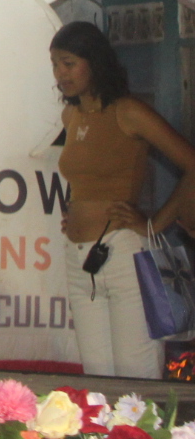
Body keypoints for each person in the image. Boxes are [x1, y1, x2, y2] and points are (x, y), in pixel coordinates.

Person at [52, 19, 195, 378]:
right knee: (97, 380)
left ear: (94, 62)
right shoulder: (70, 115)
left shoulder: (128, 111)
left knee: (136, 377)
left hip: (123, 255)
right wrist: (76, 211)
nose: (60, 73)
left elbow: (191, 164)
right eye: (55, 64)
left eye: (69, 63)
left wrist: (154, 224)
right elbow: (85, 178)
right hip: (79, 260)